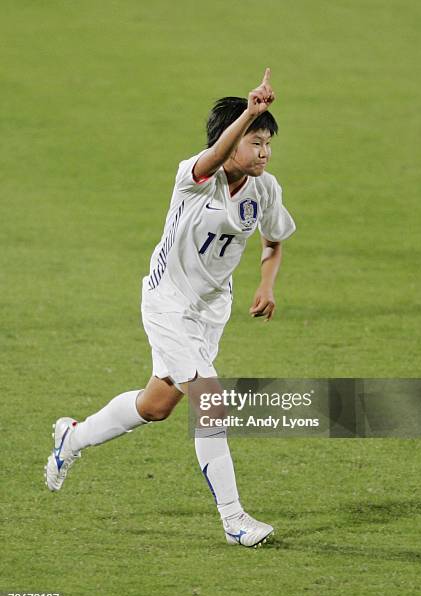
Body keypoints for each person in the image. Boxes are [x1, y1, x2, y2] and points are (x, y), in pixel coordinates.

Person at [45, 68, 296, 548]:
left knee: (155, 406)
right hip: (167, 302)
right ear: (231, 140)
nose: (263, 151)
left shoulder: (265, 189)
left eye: (267, 143)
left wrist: (267, 285)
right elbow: (215, 158)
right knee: (210, 400)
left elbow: (274, 240)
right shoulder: (194, 178)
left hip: (208, 311)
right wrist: (248, 111)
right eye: (254, 141)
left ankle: (70, 438)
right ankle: (234, 519)